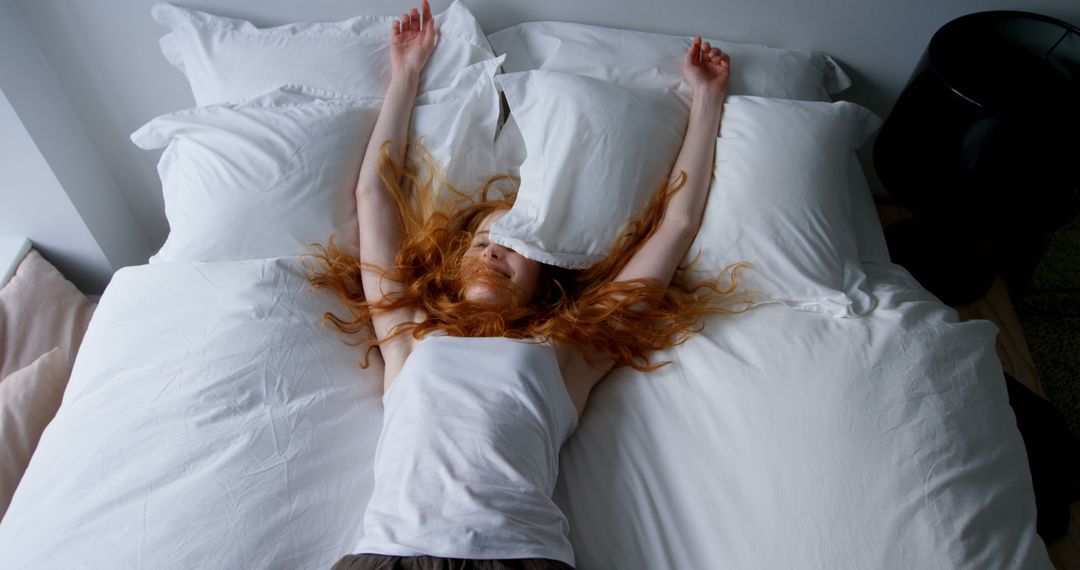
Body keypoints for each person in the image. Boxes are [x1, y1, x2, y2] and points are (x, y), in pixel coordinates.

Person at [306, 2, 748, 568]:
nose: (492, 248)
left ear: (544, 273)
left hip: (518, 556)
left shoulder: (567, 355)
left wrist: (706, 102)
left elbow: (677, 227)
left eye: (514, 243)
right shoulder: (409, 334)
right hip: (391, 554)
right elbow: (374, 196)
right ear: (453, 265)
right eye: (481, 241)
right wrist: (407, 75)